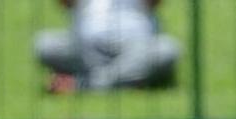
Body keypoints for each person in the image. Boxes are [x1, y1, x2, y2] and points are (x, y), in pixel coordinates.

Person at [34, 0, 180, 93]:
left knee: (167, 49)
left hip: (134, 47)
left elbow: (154, 3)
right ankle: (128, 80)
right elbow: (67, 4)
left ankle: (82, 84)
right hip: (88, 48)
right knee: (45, 44)